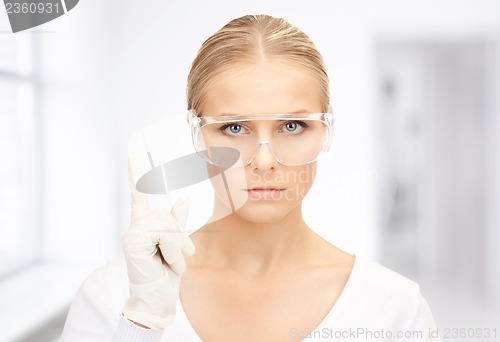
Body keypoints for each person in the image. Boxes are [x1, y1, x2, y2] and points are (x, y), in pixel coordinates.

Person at [61, 14, 440, 341]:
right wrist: (141, 323)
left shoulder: (394, 308)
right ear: (197, 135)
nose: (263, 161)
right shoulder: (111, 296)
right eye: (234, 128)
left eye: (292, 126)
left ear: (326, 131)